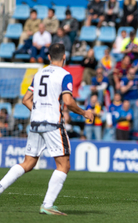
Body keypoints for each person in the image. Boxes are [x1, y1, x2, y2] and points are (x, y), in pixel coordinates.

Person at [0, 43, 94, 215]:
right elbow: (68, 101)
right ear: (64, 57)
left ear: (49, 57)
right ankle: (47, 204)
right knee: (63, 165)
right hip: (52, 124)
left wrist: (38, 111)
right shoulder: (65, 75)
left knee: (28, 163)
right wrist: (84, 112)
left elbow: (26, 99)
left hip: (35, 123)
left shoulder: (39, 73)